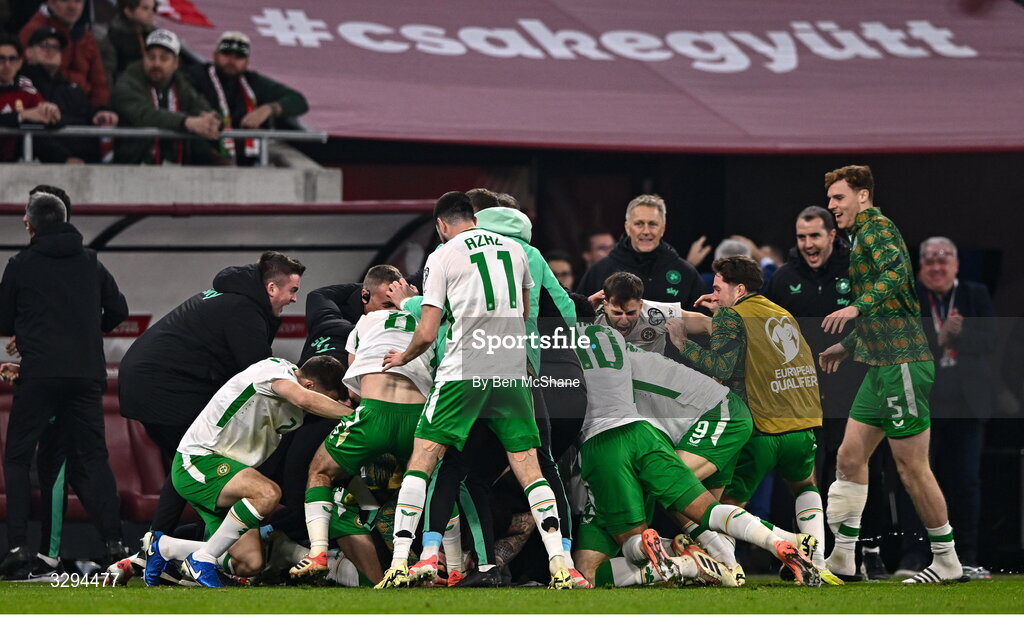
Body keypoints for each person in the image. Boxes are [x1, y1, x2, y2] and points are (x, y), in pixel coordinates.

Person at [376, 191, 573, 589]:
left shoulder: (443, 255)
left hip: (463, 370)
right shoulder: (516, 251)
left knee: (426, 457)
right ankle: (560, 565)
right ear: (474, 217)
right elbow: (523, 311)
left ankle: (401, 562)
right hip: (511, 368)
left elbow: (428, 330)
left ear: (441, 225)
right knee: (529, 466)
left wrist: (404, 356)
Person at [568, 297, 821, 588]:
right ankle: (777, 543)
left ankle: (687, 564)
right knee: (702, 507)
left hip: (711, 415)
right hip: (655, 428)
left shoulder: (562, 350)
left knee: (638, 526)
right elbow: (696, 320)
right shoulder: (617, 343)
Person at [108, 250, 304, 584]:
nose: (294, 298)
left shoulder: (235, 298)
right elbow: (261, 376)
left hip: (153, 381)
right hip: (160, 386)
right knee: (193, 457)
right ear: (271, 288)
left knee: (193, 464)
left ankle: (168, 549)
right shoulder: (244, 310)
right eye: (291, 291)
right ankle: (158, 548)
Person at [818, 164, 966, 584]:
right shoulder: (861, 234)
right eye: (830, 199)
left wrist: (856, 307)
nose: (833, 206)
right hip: (881, 365)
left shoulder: (876, 228)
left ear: (863, 195)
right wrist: (847, 347)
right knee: (848, 458)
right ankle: (844, 559)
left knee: (912, 468)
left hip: (902, 364)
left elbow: (897, 274)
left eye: (839, 197)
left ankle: (947, 561)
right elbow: (891, 302)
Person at [673, 256, 838, 583]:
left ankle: (725, 566)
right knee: (805, 485)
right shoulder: (780, 312)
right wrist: (720, 311)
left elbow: (720, 367)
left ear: (740, 288)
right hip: (802, 426)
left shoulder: (732, 315)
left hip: (761, 429)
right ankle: (816, 560)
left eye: (718, 288)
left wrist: (683, 344)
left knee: (727, 502)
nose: (714, 294)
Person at [0, 191, 128, 579]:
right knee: (93, 458)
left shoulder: (21, 264)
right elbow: (118, 311)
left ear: (30, 223)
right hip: (87, 376)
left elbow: (5, 319)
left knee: (18, 457)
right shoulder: (91, 261)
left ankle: (19, 547)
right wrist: (88, 332)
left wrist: (29, 333)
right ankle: (115, 546)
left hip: (39, 375)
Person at [142, 355, 352, 587]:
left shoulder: (296, 404)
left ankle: (164, 547)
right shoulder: (275, 370)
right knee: (268, 492)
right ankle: (202, 558)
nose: (325, 408)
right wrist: (356, 417)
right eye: (326, 399)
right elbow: (304, 398)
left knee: (250, 564)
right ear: (311, 386)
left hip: (228, 473)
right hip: (199, 460)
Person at [762, 206, 890, 580]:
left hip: (856, 391)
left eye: (815, 236)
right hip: (802, 395)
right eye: (802, 237)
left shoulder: (859, 272)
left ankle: (871, 549)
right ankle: (804, 553)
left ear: (833, 235)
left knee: (862, 470)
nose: (808, 245)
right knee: (803, 475)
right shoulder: (783, 280)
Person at [289, 265, 429, 585]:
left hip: (373, 416)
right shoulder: (429, 320)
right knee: (439, 486)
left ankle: (320, 552)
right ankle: (435, 563)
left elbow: (353, 391)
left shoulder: (364, 322)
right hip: (418, 420)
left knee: (321, 473)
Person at [914, 237, 995, 579]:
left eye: (943, 261)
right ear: (921, 267)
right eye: (930, 261)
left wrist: (956, 337)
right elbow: (907, 343)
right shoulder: (913, 298)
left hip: (966, 403)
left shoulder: (975, 293)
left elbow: (990, 339)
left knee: (964, 481)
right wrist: (940, 338)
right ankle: (917, 556)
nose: (937, 267)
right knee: (918, 479)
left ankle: (968, 557)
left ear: (956, 265)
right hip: (924, 403)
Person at [186, 31, 308, 166]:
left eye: (239, 57)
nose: (231, 61)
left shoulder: (252, 81)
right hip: (201, 160)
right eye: (226, 55)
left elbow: (298, 101)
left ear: (247, 62)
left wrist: (268, 109)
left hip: (245, 163)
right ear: (215, 55)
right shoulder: (195, 75)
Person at [110, 29, 224, 165]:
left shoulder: (180, 84)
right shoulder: (127, 82)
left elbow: (200, 106)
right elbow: (145, 115)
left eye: (164, 58)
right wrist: (186, 122)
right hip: (131, 167)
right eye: (151, 57)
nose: (156, 63)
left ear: (175, 63)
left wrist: (213, 121)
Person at [574, 195, 702, 306]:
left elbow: (702, 325)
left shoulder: (686, 273)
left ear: (663, 229)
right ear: (627, 227)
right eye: (639, 224)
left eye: (653, 224)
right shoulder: (599, 271)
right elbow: (577, 319)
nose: (646, 231)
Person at [20, 25, 119, 163]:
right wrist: (63, 158)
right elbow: (34, 130)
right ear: (29, 52)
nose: (51, 51)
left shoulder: (70, 87)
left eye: (56, 47)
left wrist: (101, 113)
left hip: (84, 165)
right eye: (44, 45)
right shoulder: (22, 85)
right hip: (44, 167)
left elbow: (87, 110)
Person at [19, 0, 108, 106]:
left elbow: (100, 85)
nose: (72, 6)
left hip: (84, 111)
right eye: (65, 0)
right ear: (51, 3)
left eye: (78, 1)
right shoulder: (32, 31)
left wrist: (99, 111)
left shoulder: (88, 38)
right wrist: (82, 84)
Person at [0, 33, 61, 161]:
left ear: (20, 63)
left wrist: (53, 113)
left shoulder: (25, 87)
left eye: (12, 59)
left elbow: (42, 112)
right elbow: (27, 114)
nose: (7, 65)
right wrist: (21, 115)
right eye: (1, 59)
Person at [590, 272, 683, 355]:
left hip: (650, 373)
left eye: (630, 313)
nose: (624, 321)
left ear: (640, 306)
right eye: (617, 313)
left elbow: (697, 322)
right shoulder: (591, 315)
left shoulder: (658, 315)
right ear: (605, 306)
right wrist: (583, 309)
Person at [99, 0, 155, 87]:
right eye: (145, 8)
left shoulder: (153, 35)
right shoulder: (113, 39)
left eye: (153, 9)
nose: (151, 13)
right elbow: (107, 76)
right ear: (128, 11)